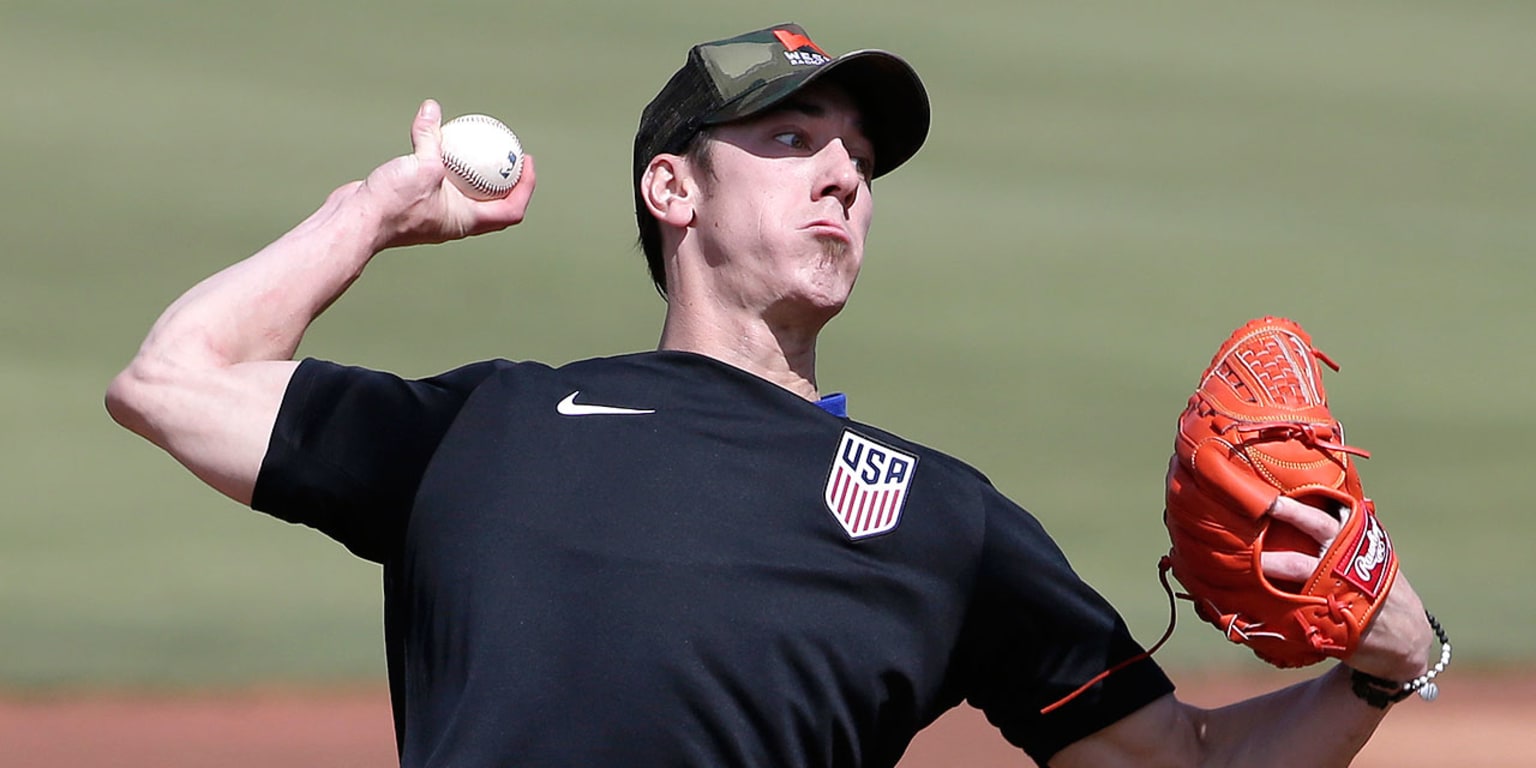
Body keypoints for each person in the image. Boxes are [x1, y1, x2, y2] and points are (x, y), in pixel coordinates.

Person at [107, 22, 1434, 767]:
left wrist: (1384, 670)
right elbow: (174, 381)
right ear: (672, 190)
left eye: (858, 158)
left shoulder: (940, 523)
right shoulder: (488, 429)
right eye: (792, 141)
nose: (844, 175)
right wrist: (374, 211)